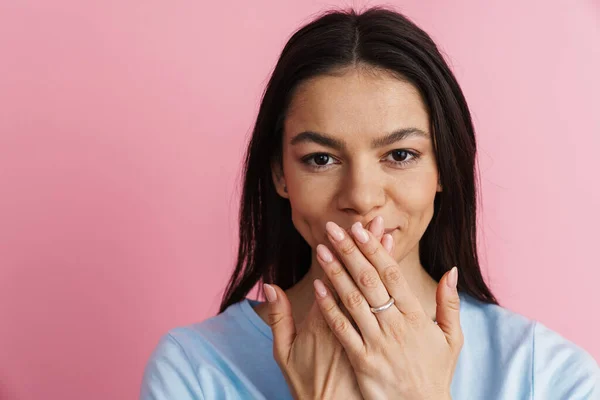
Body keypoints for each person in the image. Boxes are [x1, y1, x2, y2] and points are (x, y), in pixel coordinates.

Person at [139, 6, 600, 399]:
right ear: (280, 174)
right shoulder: (195, 370)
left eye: (400, 155)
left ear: (443, 169)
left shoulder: (549, 376)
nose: (360, 197)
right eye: (320, 158)